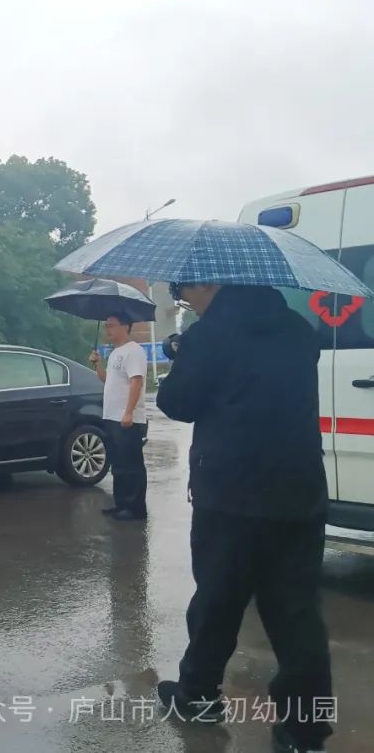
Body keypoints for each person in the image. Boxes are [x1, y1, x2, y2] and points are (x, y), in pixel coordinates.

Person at [155, 283, 333, 753]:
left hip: (230, 495)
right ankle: (305, 731)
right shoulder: (298, 329)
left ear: (209, 282)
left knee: (217, 599)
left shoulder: (208, 334)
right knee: (297, 613)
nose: (185, 300)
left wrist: (184, 352)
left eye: (184, 291)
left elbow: (176, 403)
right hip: (299, 491)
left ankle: (197, 695)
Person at [88, 313, 148, 521]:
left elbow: (136, 381)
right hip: (111, 416)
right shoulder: (115, 353)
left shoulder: (134, 351)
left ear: (126, 326)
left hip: (127, 419)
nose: (108, 330)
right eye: (106, 326)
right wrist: (98, 365)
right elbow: (108, 380)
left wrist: (129, 411)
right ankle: (121, 503)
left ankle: (135, 508)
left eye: (111, 325)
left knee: (132, 465)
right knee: (118, 464)